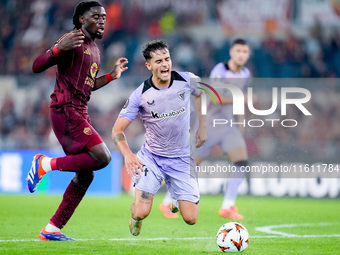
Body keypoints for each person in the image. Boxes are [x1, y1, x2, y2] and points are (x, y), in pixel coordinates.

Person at [26, 1, 128, 241]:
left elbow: (88, 85)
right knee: (103, 157)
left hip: (79, 110)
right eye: (96, 16)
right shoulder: (72, 39)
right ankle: (45, 165)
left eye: (104, 17)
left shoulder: (94, 48)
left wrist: (112, 76)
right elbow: (36, 66)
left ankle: (51, 229)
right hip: (65, 109)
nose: (102, 20)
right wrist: (57, 50)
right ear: (81, 19)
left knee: (86, 174)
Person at [112, 40, 206, 236]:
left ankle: (175, 199)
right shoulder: (141, 95)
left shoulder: (187, 79)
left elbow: (200, 94)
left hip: (181, 159)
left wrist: (202, 126)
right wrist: (128, 155)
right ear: (149, 66)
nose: (165, 65)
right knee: (141, 212)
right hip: (152, 158)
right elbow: (117, 130)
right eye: (159, 61)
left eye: (167, 59)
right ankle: (135, 216)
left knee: (191, 219)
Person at [194, 38, 251, 220]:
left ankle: (228, 206)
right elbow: (215, 98)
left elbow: (242, 100)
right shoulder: (220, 71)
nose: (241, 55)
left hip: (228, 125)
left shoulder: (246, 73)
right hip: (209, 123)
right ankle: (169, 201)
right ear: (231, 53)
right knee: (190, 165)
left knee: (241, 160)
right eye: (238, 51)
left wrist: (241, 124)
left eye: (245, 52)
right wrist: (240, 98)